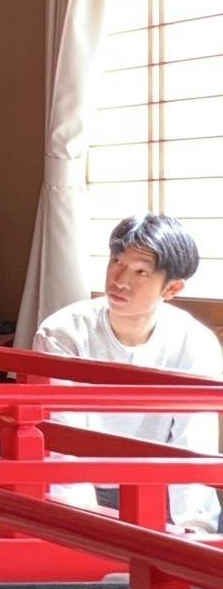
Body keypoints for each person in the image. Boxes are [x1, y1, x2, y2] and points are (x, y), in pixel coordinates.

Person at [33, 213, 222, 533]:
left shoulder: (195, 342)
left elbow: (194, 439)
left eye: (140, 272)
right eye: (116, 262)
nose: (119, 280)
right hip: (77, 484)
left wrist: (196, 527)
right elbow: (62, 434)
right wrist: (79, 521)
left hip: (157, 485)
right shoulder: (64, 332)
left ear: (172, 288)